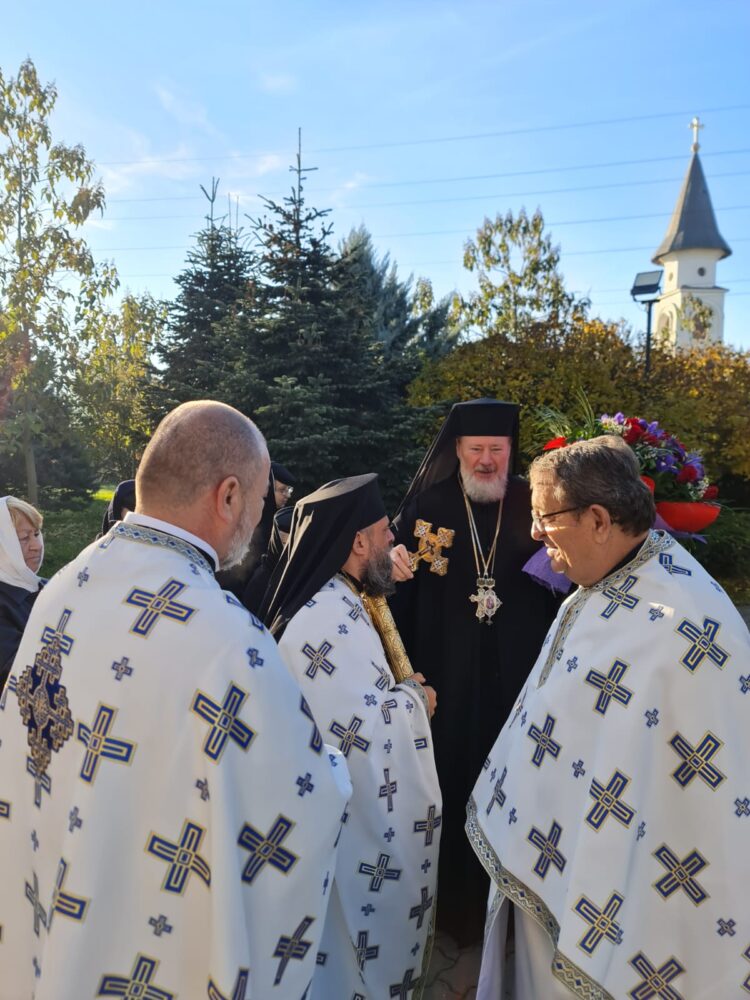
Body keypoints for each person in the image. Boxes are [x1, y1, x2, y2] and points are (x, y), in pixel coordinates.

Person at [0, 401, 350, 1000]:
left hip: (59, 896)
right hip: (149, 933)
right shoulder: (228, 640)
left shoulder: (64, 586)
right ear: (229, 495)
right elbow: (299, 804)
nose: (261, 520)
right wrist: (336, 766)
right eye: (261, 501)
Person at [467, 436, 750, 999]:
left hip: (633, 892)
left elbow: (679, 793)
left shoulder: (683, 624)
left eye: (545, 517)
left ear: (598, 520)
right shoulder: (608, 580)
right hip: (560, 863)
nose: (534, 533)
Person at [389, 398, 560, 946]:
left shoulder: (537, 506)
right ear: (457, 450)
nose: (486, 460)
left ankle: (516, 918)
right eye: (476, 450)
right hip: (450, 678)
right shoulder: (428, 507)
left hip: (521, 677)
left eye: (496, 450)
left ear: (511, 450)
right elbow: (395, 585)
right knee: (455, 783)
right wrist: (391, 567)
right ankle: (456, 914)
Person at [264, 474, 442, 998]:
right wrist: (416, 701)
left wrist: (402, 692)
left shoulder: (344, 597)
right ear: (359, 542)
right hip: (342, 822)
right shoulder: (321, 619)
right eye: (385, 531)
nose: (393, 539)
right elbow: (355, 732)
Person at [0, 497, 45, 692]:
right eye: (24, 538)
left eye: (36, 534)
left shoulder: (50, 586)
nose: (37, 545)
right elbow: (20, 674)